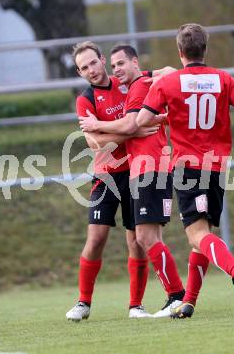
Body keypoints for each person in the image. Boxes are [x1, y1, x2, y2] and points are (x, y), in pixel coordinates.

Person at [137, 23, 234, 318]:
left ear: (180, 51)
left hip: (187, 169)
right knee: (203, 235)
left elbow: (141, 121)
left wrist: (168, 117)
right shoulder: (222, 79)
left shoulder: (168, 84)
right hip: (216, 168)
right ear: (204, 49)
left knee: (197, 235)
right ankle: (189, 302)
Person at [79, 44, 186, 318]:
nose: (91, 70)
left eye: (94, 63)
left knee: (140, 240)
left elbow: (171, 72)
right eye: (83, 68)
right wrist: (135, 130)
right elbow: (95, 144)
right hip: (108, 175)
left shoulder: (129, 80)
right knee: (98, 238)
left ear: (102, 60)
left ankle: (142, 304)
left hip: (140, 170)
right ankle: (84, 302)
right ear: (80, 72)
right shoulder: (87, 98)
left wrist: (121, 126)